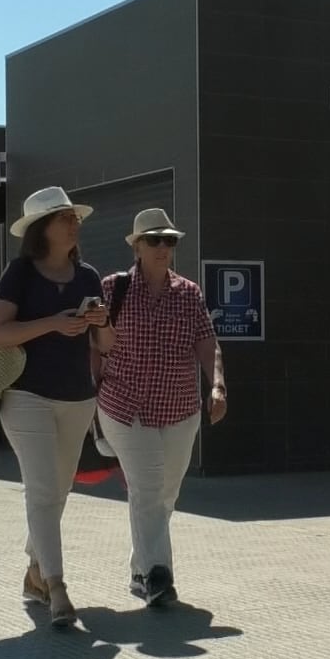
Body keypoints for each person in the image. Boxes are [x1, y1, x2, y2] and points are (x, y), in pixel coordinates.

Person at [0, 186, 110, 628]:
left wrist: (100, 322)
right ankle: (57, 587)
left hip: (78, 397)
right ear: (43, 228)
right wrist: (53, 325)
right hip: (25, 395)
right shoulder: (19, 273)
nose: (75, 223)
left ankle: (35, 571)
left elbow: (107, 344)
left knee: (57, 493)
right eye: (65, 217)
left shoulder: (89, 277)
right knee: (42, 490)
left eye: (75, 217)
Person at [96, 208, 227, 608]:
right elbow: (94, 347)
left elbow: (207, 342)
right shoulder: (113, 289)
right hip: (124, 407)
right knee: (148, 488)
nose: (163, 247)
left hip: (179, 409)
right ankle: (159, 576)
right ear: (136, 246)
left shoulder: (189, 293)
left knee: (165, 493)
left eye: (169, 240)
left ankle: (140, 569)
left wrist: (218, 385)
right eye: (154, 240)